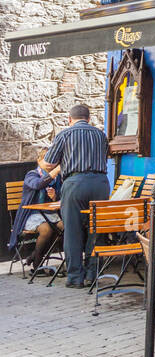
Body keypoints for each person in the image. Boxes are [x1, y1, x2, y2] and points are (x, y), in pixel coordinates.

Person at [42, 104, 110, 287]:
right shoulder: (100, 135)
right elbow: (105, 157)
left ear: (69, 119)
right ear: (89, 118)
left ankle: (75, 277)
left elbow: (48, 164)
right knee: (96, 229)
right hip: (100, 184)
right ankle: (92, 274)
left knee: (72, 231)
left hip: (75, 183)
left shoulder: (65, 134)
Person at [10, 157, 64, 272]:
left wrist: (55, 197)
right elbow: (38, 184)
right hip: (31, 214)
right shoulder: (32, 175)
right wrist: (54, 172)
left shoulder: (58, 178)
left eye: (53, 160)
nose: (50, 163)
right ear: (39, 160)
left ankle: (34, 256)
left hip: (51, 213)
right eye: (47, 159)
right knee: (46, 230)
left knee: (65, 227)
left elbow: (61, 197)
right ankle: (37, 265)